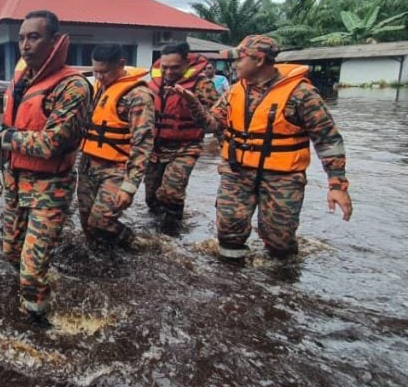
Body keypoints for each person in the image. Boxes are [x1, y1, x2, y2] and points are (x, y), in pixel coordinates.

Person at [171, 35, 353, 262]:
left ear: (258, 60)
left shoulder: (301, 94)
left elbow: (328, 139)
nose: (234, 65)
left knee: (279, 238)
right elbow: (212, 124)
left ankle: (282, 281)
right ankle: (231, 279)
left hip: (282, 177)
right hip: (237, 172)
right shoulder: (235, 91)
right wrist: (194, 105)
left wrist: (337, 185)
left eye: (239, 59)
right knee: (228, 229)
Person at [0, 10, 91, 330]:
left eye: (34, 37)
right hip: (17, 181)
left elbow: (51, 143)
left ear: (54, 41)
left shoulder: (73, 86)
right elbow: (14, 122)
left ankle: (40, 324)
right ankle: (36, 293)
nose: (25, 44)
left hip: (50, 186)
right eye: (22, 37)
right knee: (10, 252)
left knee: (31, 270)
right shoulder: (21, 81)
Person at [77, 43, 155, 249]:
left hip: (116, 170)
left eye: (104, 72)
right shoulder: (97, 88)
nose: (99, 77)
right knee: (87, 224)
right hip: (88, 166)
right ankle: (100, 261)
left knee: (101, 221)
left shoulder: (138, 96)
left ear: (121, 64)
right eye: (95, 72)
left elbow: (143, 144)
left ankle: (135, 244)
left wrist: (129, 187)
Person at [145, 42, 220, 235]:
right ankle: (154, 232)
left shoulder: (202, 85)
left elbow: (218, 119)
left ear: (186, 64)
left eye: (175, 67)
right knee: (152, 198)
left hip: (186, 146)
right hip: (155, 147)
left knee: (171, 191)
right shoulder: (153, 83)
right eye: (165, 67)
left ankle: (172, 234)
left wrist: (227, 152)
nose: (169, 72)